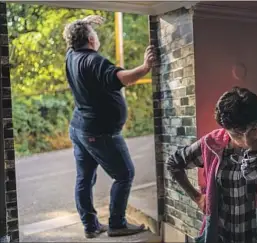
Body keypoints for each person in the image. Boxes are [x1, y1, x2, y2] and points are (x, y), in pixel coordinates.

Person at [62, 15, 155, 238]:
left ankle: (91, 226)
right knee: (124, 174)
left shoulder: (71, 55)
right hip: (99, 132)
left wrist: (83, 22)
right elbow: (122, 78)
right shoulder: (94, 61)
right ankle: (117, 224)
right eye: (94, 33)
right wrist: (145, 67)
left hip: (80, 128)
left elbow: (75, 35)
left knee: (84, 179)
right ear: (91, 40)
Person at [166, 87, 257, 243]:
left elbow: (256, 172)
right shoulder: (212, 144)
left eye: (252, 129)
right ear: (225, 129)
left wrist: (253, 147)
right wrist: (198, 197)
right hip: (223, 234)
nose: (244, 138)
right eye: (237, 133)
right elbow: (173, 163)